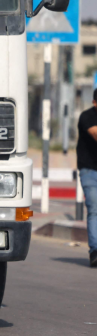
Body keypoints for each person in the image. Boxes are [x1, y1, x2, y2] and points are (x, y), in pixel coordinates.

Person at [75, 90, 97, 268]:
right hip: (90, 171)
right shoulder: (87, 116)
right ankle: (95, 251)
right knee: (94, 208)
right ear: (94, 102)